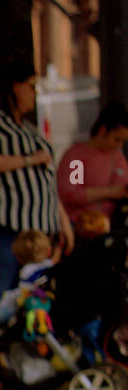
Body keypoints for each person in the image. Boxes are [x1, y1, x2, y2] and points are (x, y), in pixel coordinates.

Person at [0, 61, 74, 318]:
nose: (34, 93)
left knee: (28, 296)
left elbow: (44, 181)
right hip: (2, 226)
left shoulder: (27, 127)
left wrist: (62, 222)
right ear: (13, 86)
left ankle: (15, 352)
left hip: (37, 232)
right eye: (30, 86)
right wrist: (28, 159)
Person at [56, 101, 128, 357]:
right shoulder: (78, 157)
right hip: (81, 233)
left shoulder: (116, 157)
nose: (118, 146)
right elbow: (71, 193)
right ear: (103, 131)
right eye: (116, 139)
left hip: (107, 235)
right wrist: (110, 192)